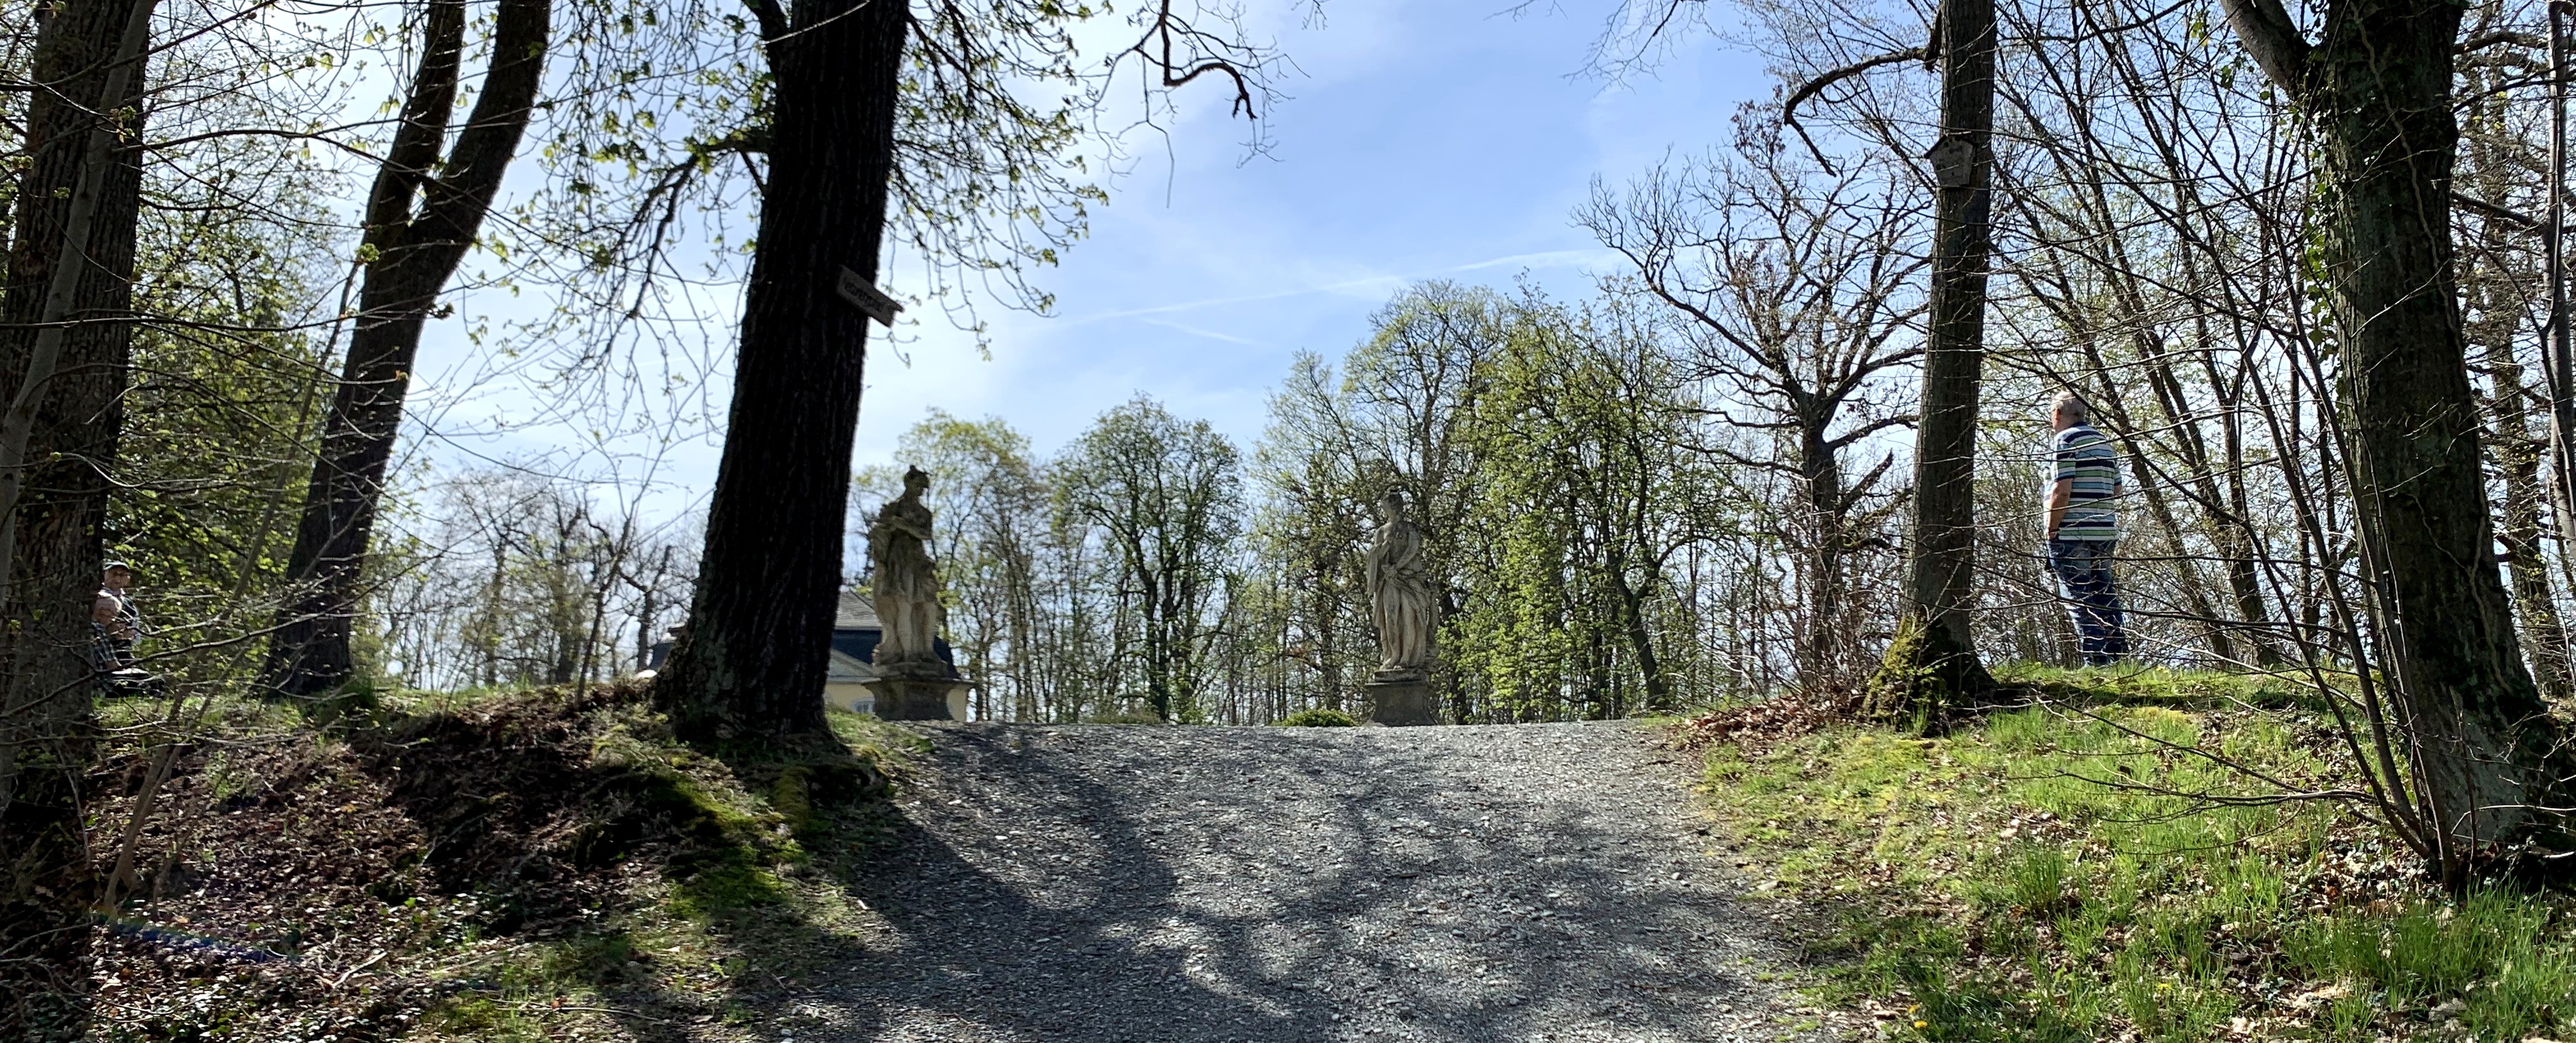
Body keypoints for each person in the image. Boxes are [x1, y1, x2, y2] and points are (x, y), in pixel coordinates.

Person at [2046, 392, 2129, 666]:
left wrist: (2051, 528)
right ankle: (2118, 656)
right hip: (2104, 531)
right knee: (2105, 593)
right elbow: (2117, 489)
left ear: (2058, 414)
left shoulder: (2065, 440)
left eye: (2052, 415)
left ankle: (2096, 661)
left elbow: (2062, 490)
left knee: (2079, 598)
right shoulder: (2104, 442)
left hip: (2072, 533)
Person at [93, 559, 144, 672]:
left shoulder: (129, 604)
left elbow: (136, 634)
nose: (117, 579)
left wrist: (128, 634)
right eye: (114, 574)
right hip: (102, 651)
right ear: (104, 575)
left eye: (122, 575)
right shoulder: (97, 597)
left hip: (123, 652)